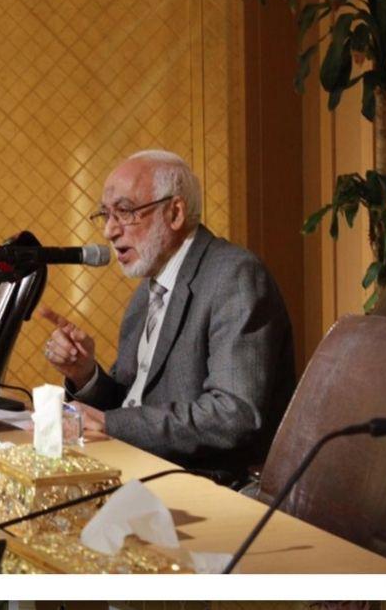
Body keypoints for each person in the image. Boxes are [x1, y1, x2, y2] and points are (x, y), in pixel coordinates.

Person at [41, 149, 295, 486]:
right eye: (105, 214)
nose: (109, 231)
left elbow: (234, 414)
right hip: (136, 466)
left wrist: (111, 426)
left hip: (205, 482)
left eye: (125, 212)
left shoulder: (234, 276)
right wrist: (85, 374)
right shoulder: (147, 290)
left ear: (175, 213)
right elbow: (131, 400)